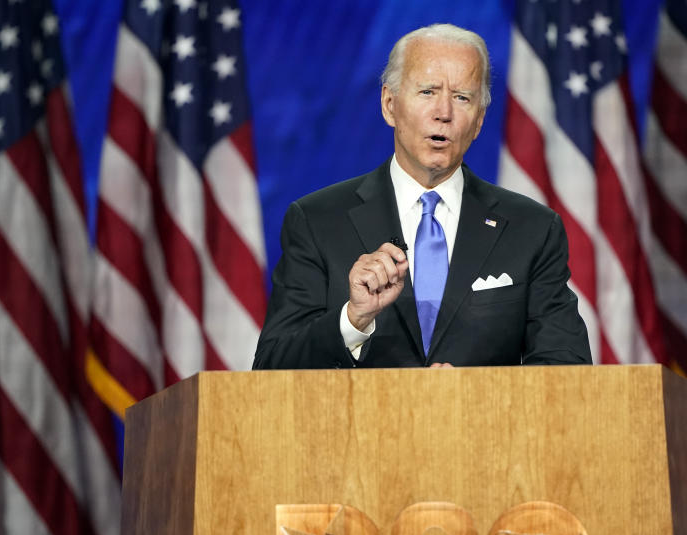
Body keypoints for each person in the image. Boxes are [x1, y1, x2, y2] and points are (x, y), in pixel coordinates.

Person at [253, 24, 591, 369]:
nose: (444, 112)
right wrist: (352, 320)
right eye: (428, 91)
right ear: (389, 105)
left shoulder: (531, 228)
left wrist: (476, 397)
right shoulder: (317, 221)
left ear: (478, 122)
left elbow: (566, 369)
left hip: (482, 422)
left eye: (462, 97)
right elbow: (271, 369)